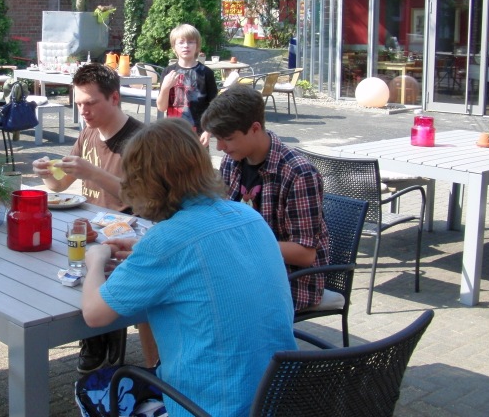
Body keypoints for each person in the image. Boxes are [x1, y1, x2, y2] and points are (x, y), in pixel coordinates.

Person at [76, 119, 296, 417]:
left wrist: (96, 260)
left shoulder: (166, 241)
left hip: (210, 408)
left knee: (90, 387)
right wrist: (144, 255)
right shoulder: (248, 215)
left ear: (146, 182)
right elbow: (203, 262)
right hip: (279, 401)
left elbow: (94, 314)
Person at [32, 63, 146, 373]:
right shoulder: (88, 133)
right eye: (78, 103)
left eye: (90, 103)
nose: (83, 110)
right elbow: (60, 185)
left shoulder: (141, 140)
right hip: (92, 229)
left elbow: (142, 198)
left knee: (92, 266)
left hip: (130, 233)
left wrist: (92, 172)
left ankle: (101, 335)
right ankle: (96, 335)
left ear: (114, 98)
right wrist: (45, 172)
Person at [201, 84, 329, 310]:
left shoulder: (299, 173)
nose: (220, 147)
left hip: (290, 280)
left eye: (227, 138)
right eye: (217, 139)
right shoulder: (232, 161)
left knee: (201, 298)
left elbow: (305, 254)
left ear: (255, 128)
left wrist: (238, 242)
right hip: (245, 267)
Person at [156, 24, 217, 146]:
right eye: (181, 42)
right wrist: (165, 88)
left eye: (190, 42)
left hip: (198, 134)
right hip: (173, 132)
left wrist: (208, 131)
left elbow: (214, 107)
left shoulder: (206, 73)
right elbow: (161, 107)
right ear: (174, 47)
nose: (186, 46)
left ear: (197, 46)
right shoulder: (168, 72)